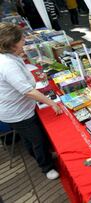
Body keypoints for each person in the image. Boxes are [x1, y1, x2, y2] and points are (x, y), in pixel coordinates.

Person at [0, 23, 63, 179]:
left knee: (29, 138)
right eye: (22, 40)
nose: (25, 41)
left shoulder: (10, 57)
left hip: (19, 108)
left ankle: (40, 156)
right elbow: (28, 91)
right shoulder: (7, 64)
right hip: (17, 112)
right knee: (37, 139)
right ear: (12, 44)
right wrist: (52, 103)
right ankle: (47, 167)